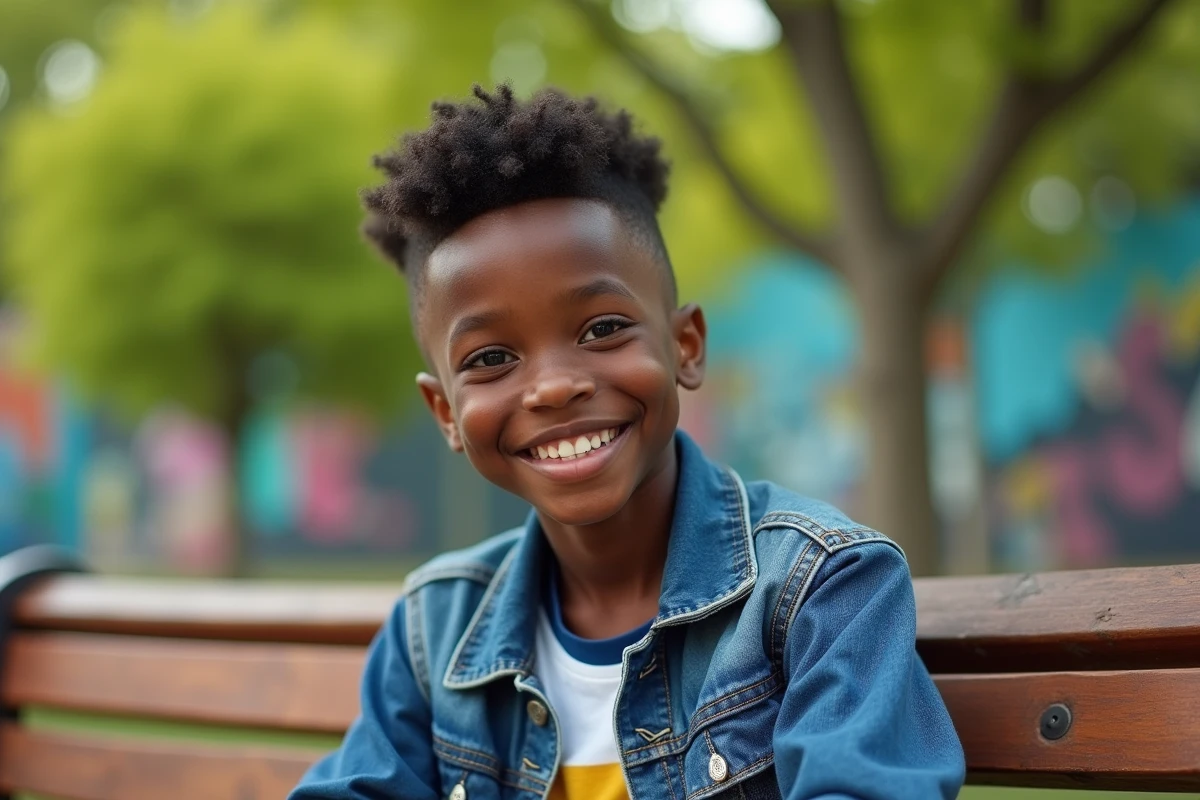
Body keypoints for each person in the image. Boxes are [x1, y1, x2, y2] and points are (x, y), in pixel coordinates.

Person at [290, 84, 964, 800]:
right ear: (446, 413)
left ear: (685, 347)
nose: (552, 388)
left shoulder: (820, 591)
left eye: (602, 329)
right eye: (491, 359)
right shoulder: (434, 630)